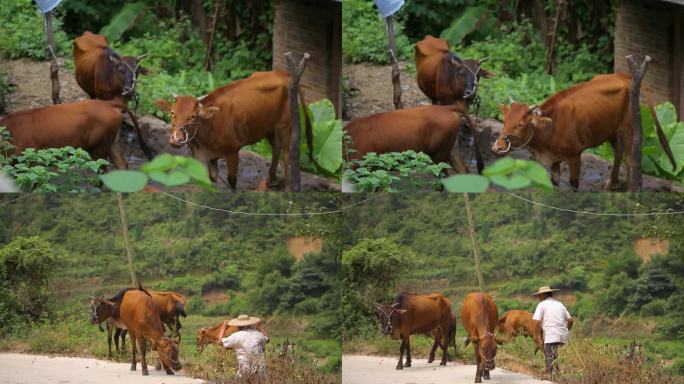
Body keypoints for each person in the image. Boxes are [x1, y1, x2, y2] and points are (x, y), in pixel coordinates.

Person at [531, 286, 574, 378]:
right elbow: (570, 321)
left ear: (543, 295)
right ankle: (557, 375)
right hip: (563, 336)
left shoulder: (542, 305)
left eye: (539, 295)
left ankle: (550, 375)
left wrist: (536, 335)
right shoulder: (560, 304)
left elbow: (536, 322)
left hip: (552, 335)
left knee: (549, 354)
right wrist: (566, 331)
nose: (538, 297)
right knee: (554, 355)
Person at [218, 314, 269, 381]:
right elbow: (267, 339)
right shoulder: (258, 334)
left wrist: (224, 327)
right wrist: (260, 327)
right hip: (261, 373)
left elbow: (219, 342)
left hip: (244, 373)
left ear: (238, 326)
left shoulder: (236, 336)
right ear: (250, 324)